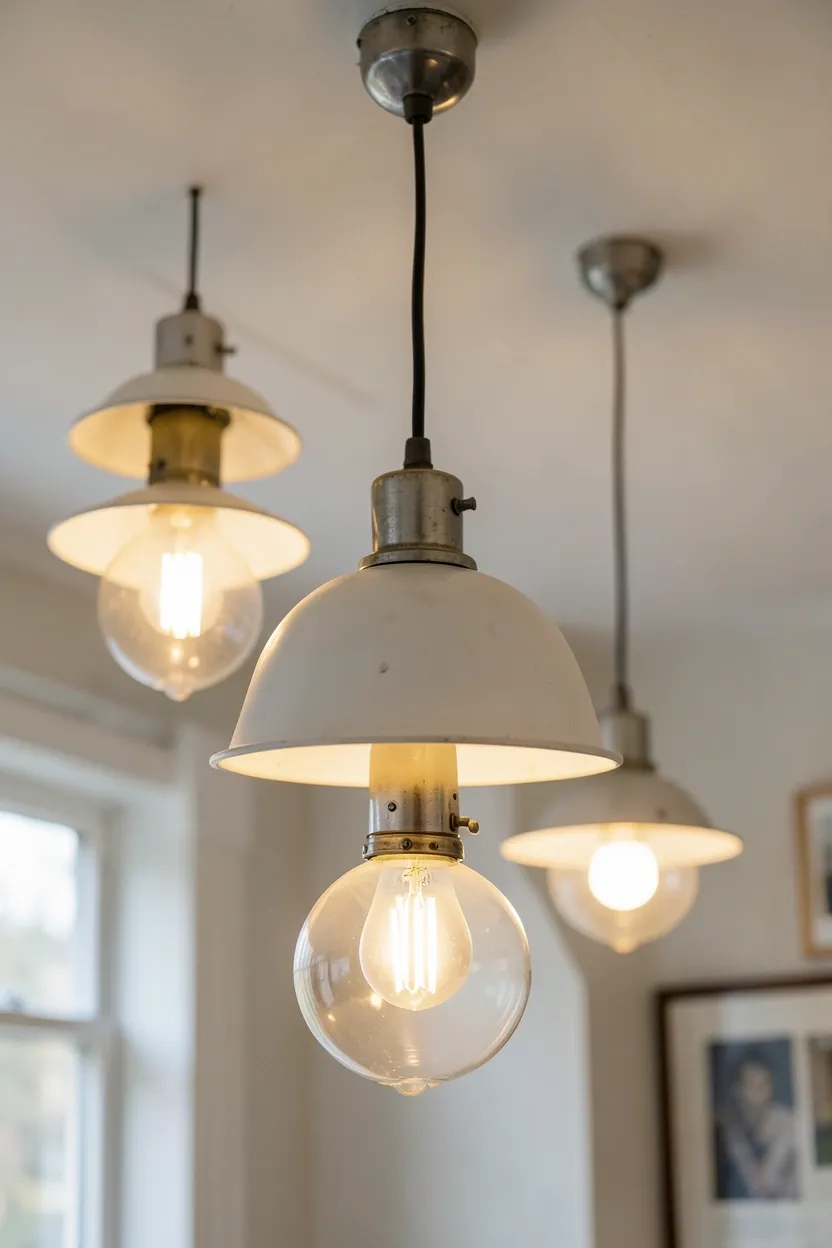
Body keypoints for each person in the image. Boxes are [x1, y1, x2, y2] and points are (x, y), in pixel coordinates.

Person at [714, 1047, 798, 1200]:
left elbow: (765, 1185)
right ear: (737, 1090)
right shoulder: (731, 1129)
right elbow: (753, 1183)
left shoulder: (790, 1124)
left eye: (765, 1084)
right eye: (753, 1085)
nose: (762, 1094)